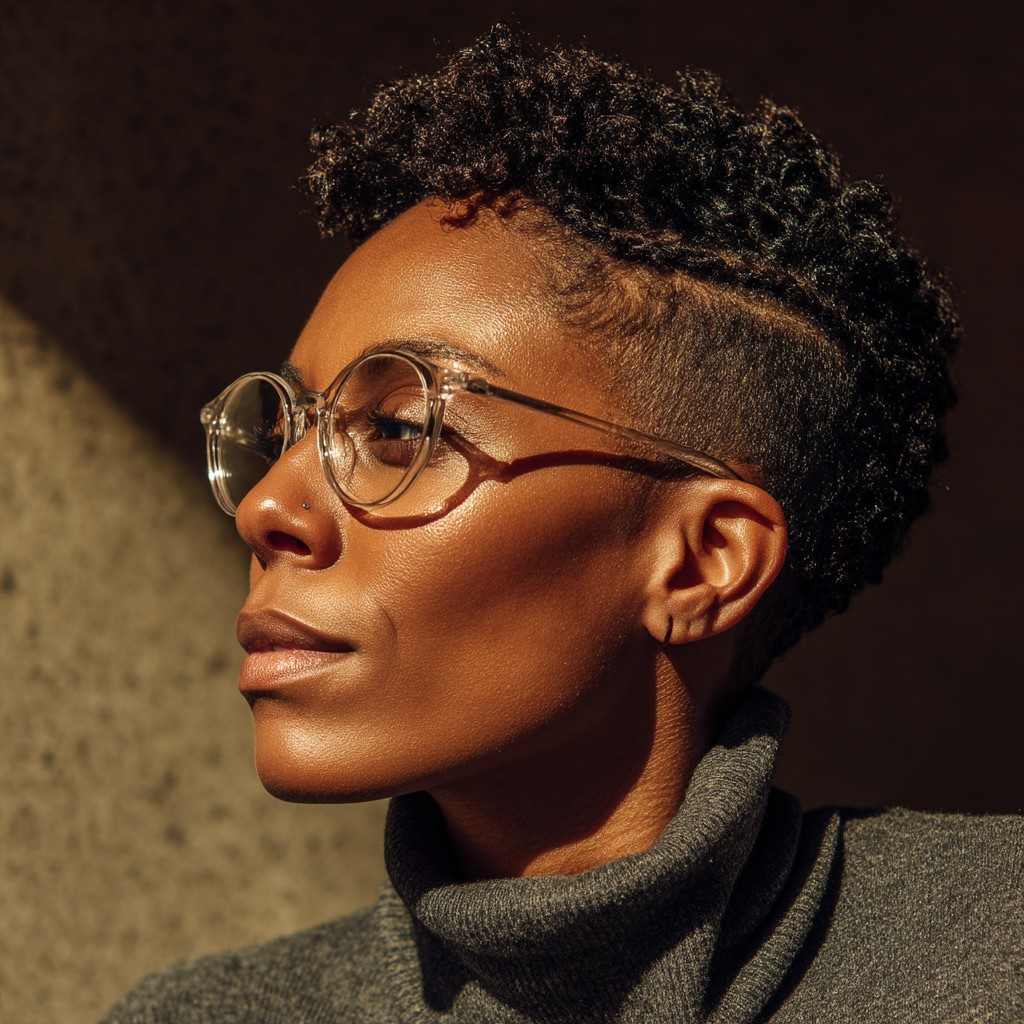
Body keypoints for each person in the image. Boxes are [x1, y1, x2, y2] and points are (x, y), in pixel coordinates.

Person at [102, 23, 1022, 1024]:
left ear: (703, 559)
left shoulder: (989, 952)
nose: (268, 508)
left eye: (400, 429)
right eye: (287, 428)